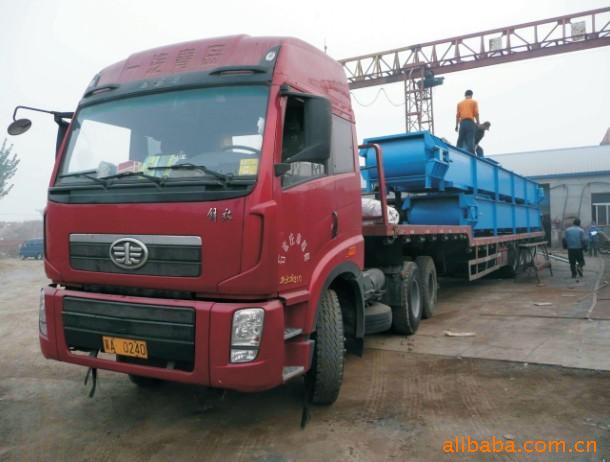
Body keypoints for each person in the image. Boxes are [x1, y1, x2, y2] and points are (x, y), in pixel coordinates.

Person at [455, 90, 480, 154]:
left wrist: (456, 126)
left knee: (460, 139)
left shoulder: (459, 104)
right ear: (471, 95)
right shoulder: (474, 102)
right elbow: (476, 114)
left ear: (465, 95)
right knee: (470, 139)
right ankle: (472, 154)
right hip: (470, 123)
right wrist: (478, 123)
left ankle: (456, 151)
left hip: (462, 123)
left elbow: (457, 116)